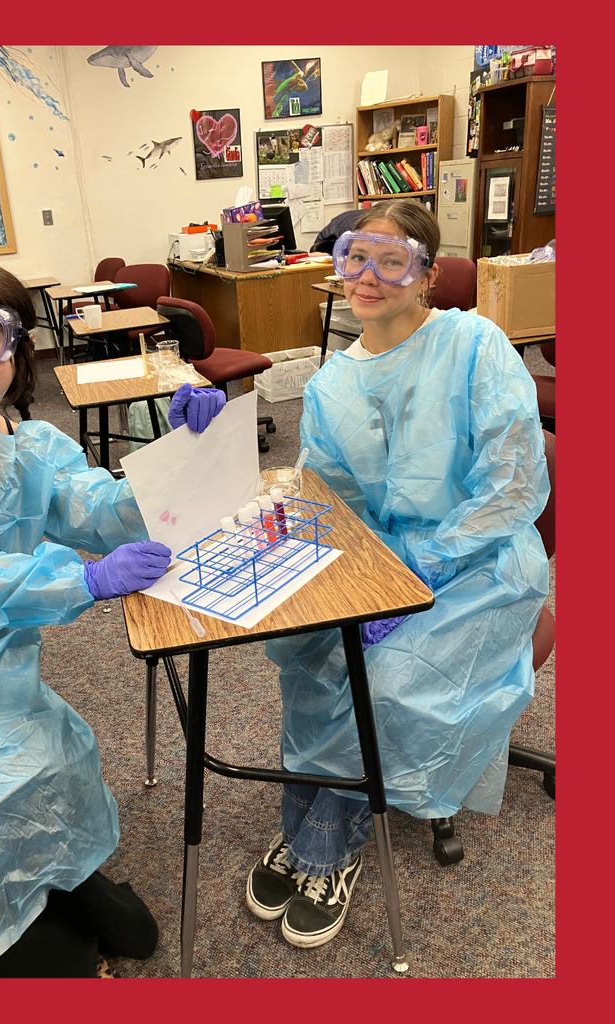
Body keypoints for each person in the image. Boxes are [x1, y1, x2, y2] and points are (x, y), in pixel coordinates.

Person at [0, 261, 226, 978]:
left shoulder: (28, 442)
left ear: (20, 345)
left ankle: (51, 884)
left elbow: (98, 511)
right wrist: (79, 580)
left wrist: (175, 455)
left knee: (57, 759)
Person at [245, 199, 550, 952]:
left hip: (482, 567)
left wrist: (422, 564)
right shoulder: (328, 384)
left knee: (382, 679)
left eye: (392, 260)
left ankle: (331, 837)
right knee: (305, 655)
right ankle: (321, 809)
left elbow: (511, 488)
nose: (368, 276)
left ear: (426, 275)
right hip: (379, 566)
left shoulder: (474, 343)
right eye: (355, 256)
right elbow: (329, 494)